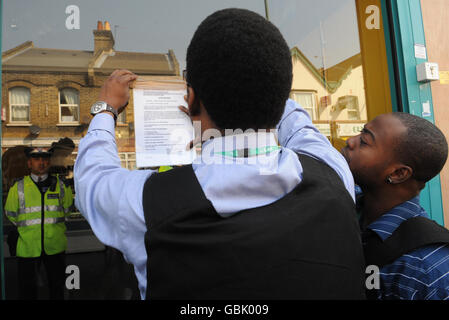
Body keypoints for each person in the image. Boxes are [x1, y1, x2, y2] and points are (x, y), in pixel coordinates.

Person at [74, 8, 365, 299]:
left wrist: (106, 108)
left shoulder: (144, 206)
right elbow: (298, 124)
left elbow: (91, 176)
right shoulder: (333, 171)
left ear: (190, 99)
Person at [341, 112, 449, 300]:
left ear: (398, 173)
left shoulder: (427, 268)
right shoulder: (345, 205)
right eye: (360, 132)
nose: (351, 141)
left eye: (364, 141)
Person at [4, 147, 74, 299]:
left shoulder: (61, 185)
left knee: (57, 287)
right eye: (36, 159)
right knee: (27, 289)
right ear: (29, 164)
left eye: (44, 159)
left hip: (54, 246)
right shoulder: (18, 187)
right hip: (28, 247)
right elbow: (10, 213)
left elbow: (68, 210)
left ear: (49, 162)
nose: (41, 163)